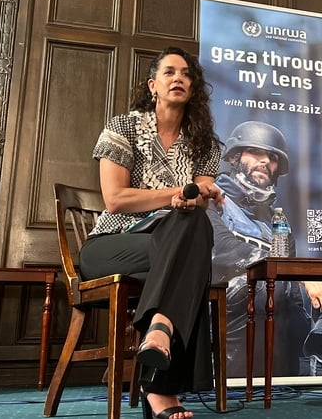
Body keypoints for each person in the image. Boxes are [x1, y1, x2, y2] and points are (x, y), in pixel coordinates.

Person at [78, 47, 223, 419]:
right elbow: (115, 199)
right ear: (152, 85)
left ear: (194, 87)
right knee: (192, 263)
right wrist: (177, 193)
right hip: (111, 245)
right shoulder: (123, 127)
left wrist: (200, 195)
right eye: (169, 72)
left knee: (195, 224)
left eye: (186, 74)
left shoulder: (206, 143)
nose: (179, 78)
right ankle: (161, 383)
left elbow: (198, 199)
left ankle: (159, 333)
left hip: (169, 244)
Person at [206, 120, 322, 378]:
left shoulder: (277, 222)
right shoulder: (211, 201)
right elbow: (223, 249)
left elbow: (292, 287)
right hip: (222, 305)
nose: (265, 161)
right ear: (235, 158)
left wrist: (316, 291)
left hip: (273, 305)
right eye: (255, 152)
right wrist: (300, 274)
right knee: (270, 286)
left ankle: (319, 355)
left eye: (272, 158)